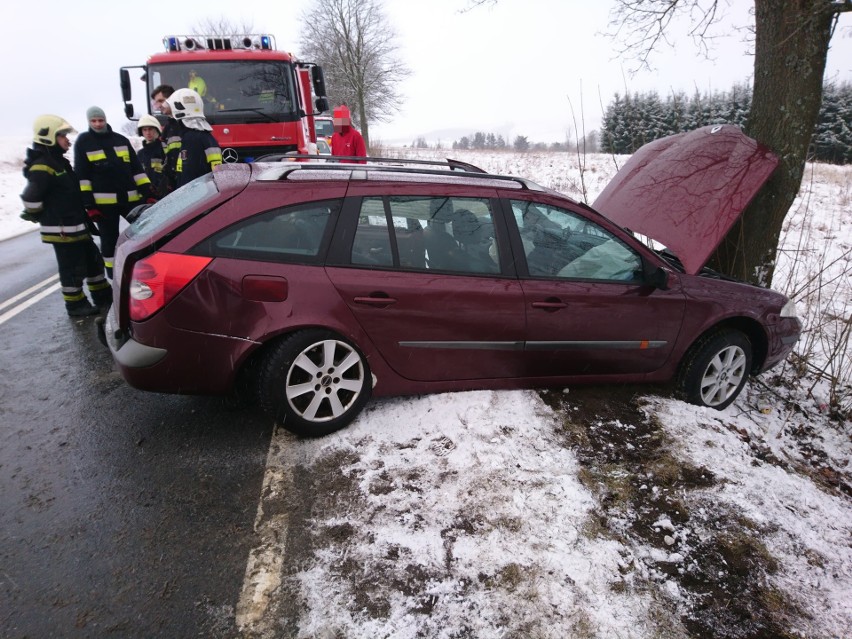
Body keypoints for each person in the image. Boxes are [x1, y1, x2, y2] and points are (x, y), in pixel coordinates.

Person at [20, 115, 112, 317]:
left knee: (93, 261)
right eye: (62, 136)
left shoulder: (58, 162)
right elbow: (30, 198)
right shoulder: (43, 166)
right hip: (62, 231)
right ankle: (75, 305)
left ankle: (103, 297)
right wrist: (42, 215)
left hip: (76, 227)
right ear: (48, 136)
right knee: (72, 269)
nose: (67, 140)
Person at [74, 106, 156, 278]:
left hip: (130, 199)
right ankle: (114, 275)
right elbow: (83, 177)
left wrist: (148, 193)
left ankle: (147, 266)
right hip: (103, 205)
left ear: (106, 120)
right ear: (89, 122)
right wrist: (89, 205)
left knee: (145, 232)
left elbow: (137, 169)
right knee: (109, 240)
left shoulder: (120, 140)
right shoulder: (83, 142)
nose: (97, 124)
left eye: (100, 120)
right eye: (93, 121)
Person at [164, 88, 222, 188]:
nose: (172, 119)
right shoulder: (206, 137)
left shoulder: (191, 140)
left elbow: (189, 179)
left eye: (172, 114)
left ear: (181, 113)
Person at [151, 85, 181, 193]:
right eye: (156, 102)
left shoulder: (185, 124)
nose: (158, 106)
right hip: (175, 185)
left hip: (189, 182)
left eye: (161, 101)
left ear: (171, 100)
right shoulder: (167, 128)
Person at [135, 114, 168, 198]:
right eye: (144, 130)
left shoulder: (164, 149)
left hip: (165, 194)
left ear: (157, 130)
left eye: (150, 129)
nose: (148, 133)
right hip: (148, 196)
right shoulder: (140, 154)